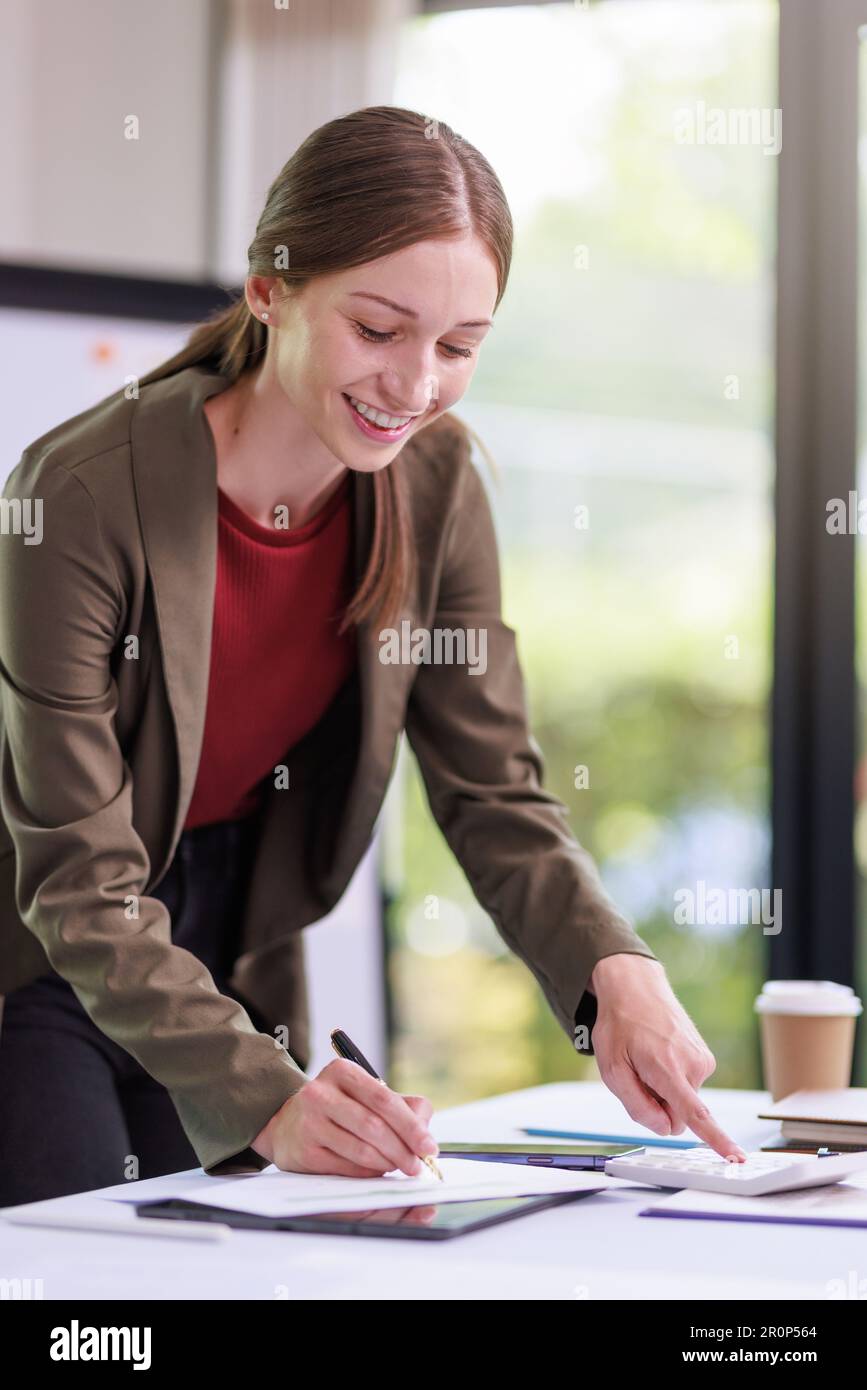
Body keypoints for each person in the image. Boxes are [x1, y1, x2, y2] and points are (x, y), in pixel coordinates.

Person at [0, 105, 744, 1207]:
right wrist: (266, 1094)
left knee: (224, 1273)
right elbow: (75, 881)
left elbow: (492, 789)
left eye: (457, 346)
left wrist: (611, 971)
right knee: (77, 1280)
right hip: (47, 948)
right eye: (379, 330)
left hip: (232, 950)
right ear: (271, 291)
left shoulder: (438, 491)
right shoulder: (78, 495)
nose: (415, 385)